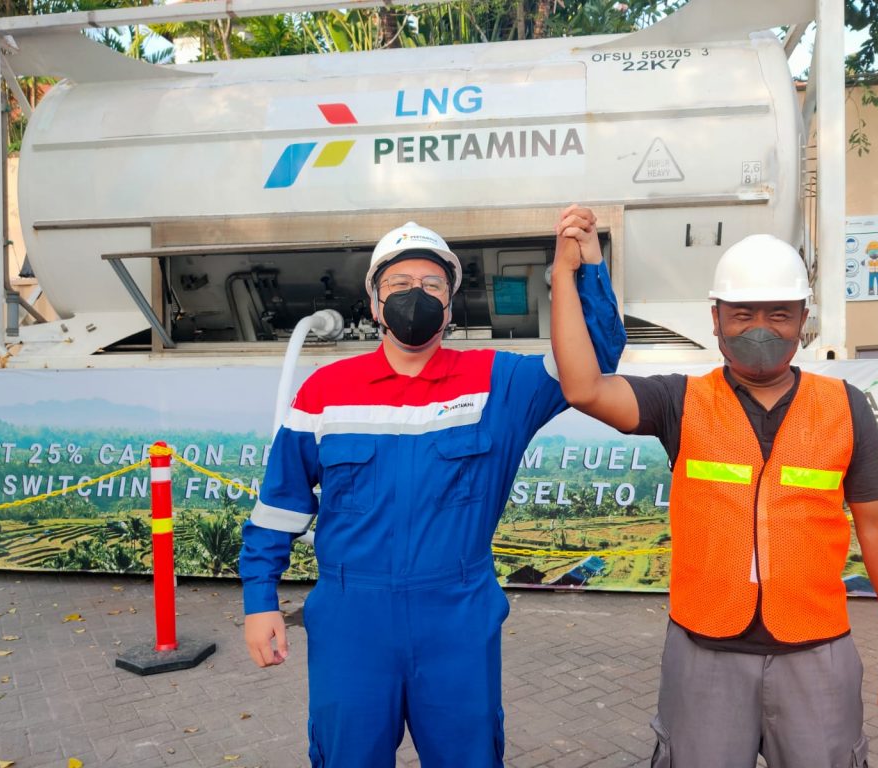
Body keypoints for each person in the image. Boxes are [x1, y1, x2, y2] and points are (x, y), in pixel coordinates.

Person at [239, 210, 626, 768]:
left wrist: (580, 267)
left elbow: (595, 356)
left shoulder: (499, 383)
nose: (414, 295)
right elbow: (280, 504)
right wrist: (260, 601)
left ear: (449, 304)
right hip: (351, 621)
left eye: (431, 284)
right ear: (375, 303)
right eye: (398, 283)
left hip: (457, 616)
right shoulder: (325, 391)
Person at [550, 216, 878, 768]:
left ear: (803, 319)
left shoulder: (844, 407)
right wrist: (567, 272)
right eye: (743, 313)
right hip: (704, 654)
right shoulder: (679, 402)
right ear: (716, 319)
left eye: (779, 313)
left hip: (817, 654)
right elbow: (583, 387)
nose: (760, 329)